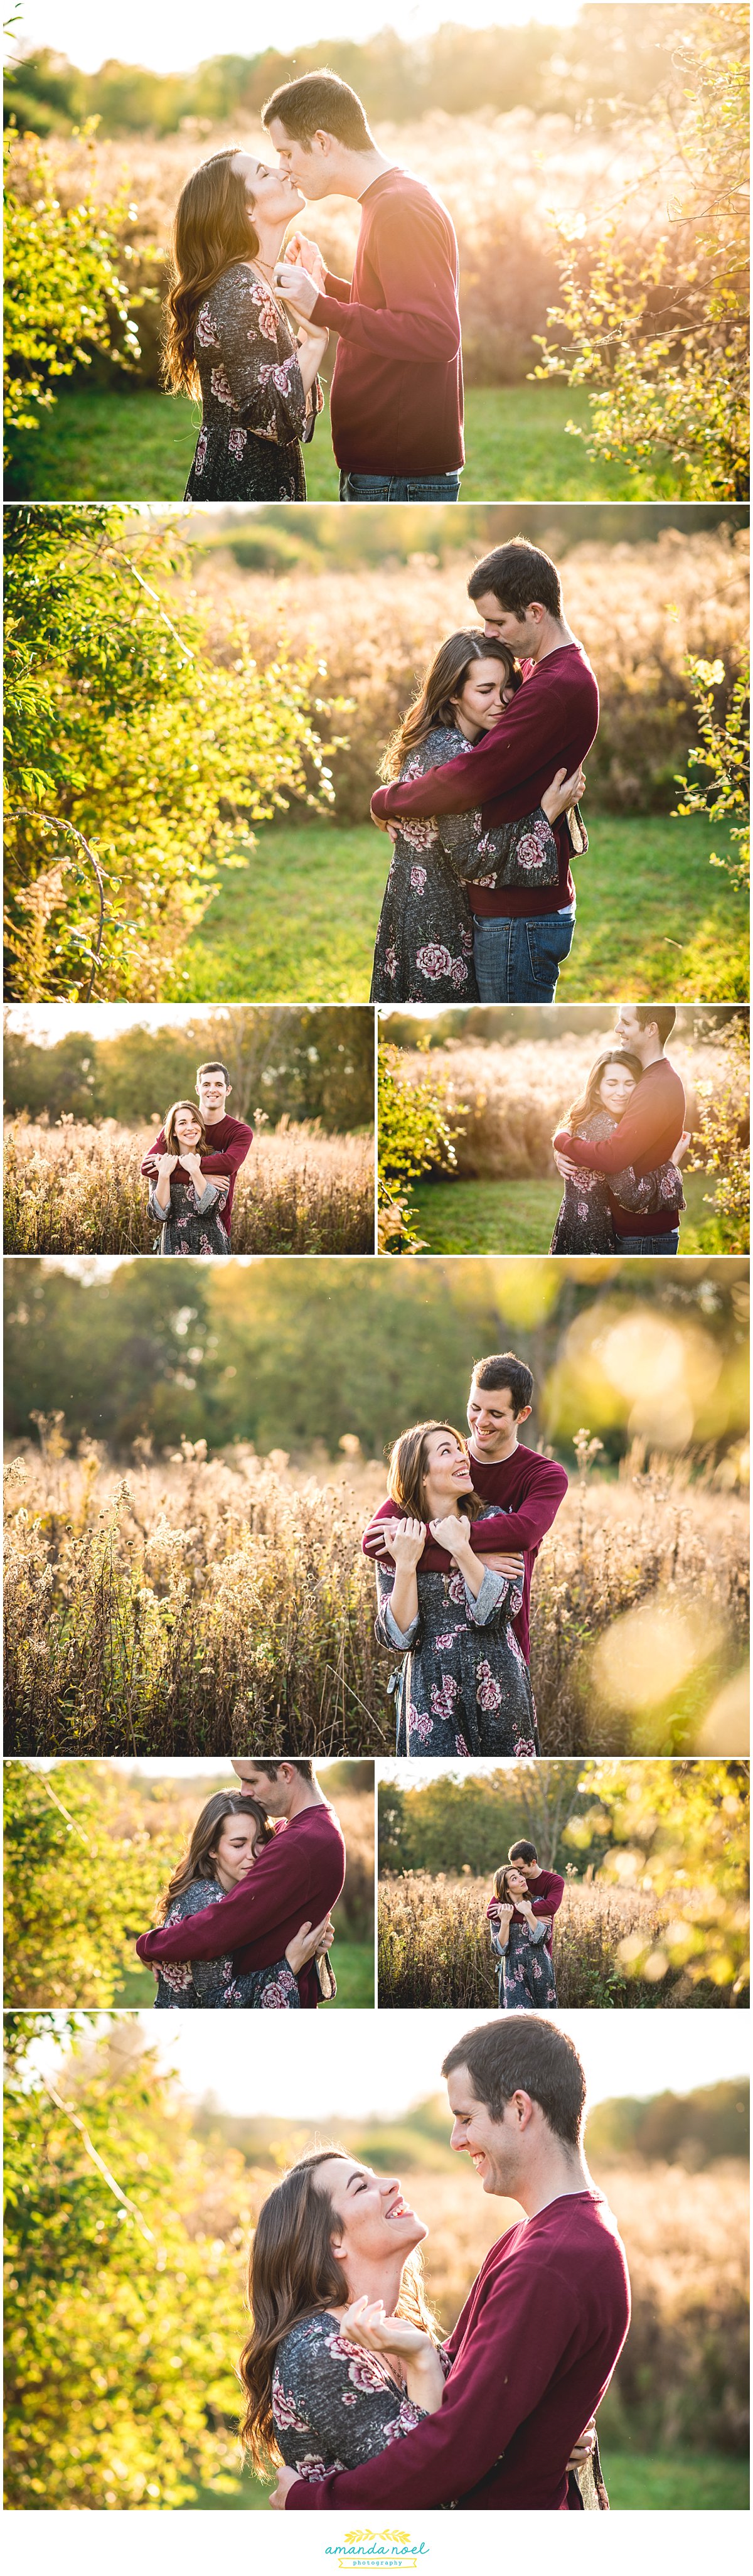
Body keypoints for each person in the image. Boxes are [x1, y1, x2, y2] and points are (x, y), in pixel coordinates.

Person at [269, 2016, 630, 2511]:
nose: (457, 2141)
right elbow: (468, 2391)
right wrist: (539, 2436)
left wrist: (310, 2504)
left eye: (465, 2117)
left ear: (520, 2109)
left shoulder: (553, 2258)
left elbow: (456, 2450)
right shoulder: (527, 2239)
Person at [240, 2147, 600, 2504]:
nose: (392, 2183)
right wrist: (424, 2359)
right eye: (361, 2187)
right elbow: (431, 2492)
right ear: (334, 2241)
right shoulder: (317, 2351)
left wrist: (545, 2438)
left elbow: (470, 2432)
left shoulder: (396, 2328)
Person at [370, 540, 599, 1002]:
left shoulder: (555, 685)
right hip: (512, 906)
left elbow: (471, 776)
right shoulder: (542, 671)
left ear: (535, 612)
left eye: (497, 621)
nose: (490, 633)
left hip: (519, 915)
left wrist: (385, 799)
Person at [262, 72, 464, 503]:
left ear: (322, 142)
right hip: (387, 468)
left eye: (286, 153)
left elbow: (435, 334)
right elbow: (391, 305)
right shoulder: (387, 199)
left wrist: (322, 308)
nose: (283, 169)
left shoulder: (399, 206)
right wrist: (328, 286)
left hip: (399, 474)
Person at [363, 1352, 569, 1706]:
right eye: (475, 1407)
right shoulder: (440, 1462)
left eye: (496, 1414)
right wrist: (459, 1560)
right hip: (432, 1665)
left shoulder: (544, 1475)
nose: (480, 1421)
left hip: (501, 1639)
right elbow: (374, 1541)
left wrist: (435, 1538)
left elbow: (524, 1532)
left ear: (522, 1415)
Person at [163, 149, 326, 500]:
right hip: (247, 482)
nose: (283, 172)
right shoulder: (241, 289)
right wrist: (316, 341)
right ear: (246, 210)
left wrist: (306, 322)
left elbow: (273, 383)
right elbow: (268, 418)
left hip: (247, 474)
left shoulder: (250, 282)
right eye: (264, 173)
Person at [373, 1420, 539, 1757]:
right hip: (431, 1691)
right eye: (446, 1451)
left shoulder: (495, 1523)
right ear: (420, 1474)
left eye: (460, 1450)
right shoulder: (399, 1539)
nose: (464, 1458)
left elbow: (503, 1610)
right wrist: (406, 1564)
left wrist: (463, 1550)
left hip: (498, 1679)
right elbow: (398, 1637)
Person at [136, 1761, 345, 2010]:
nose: (244, 1790)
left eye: (252, 1781)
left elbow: (222, 1926)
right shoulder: (298, 1831)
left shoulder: (298, 1842)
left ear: (286, 1772)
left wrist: (149, 1945)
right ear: (212, 1848)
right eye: (238, 1845)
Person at [552, 1007, 689, 1255]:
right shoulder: (653, 1080)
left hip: (644, 1234)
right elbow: (613, 1145)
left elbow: (614, 1157)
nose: (618, 1029)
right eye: (613, 1084)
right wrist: (565, 1136)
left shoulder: (654, 1086)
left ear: (651, 1029)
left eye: (626, 1023)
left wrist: (563, 1142)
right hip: (637, 1231)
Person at [141, 1061, 253, 1248]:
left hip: (216, 1223)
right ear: (198, 1089)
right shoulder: (177, 1126)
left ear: (228, 1090)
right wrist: (197, 1176)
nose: (212, 1090)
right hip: (174, 1236)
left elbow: (229, 1164)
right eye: (206, 1084)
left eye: (219, 1085)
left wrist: (183, 1167)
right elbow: (147, 1167)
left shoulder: (240, 1132)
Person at [147, 1100, 232, 1256]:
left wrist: (195, 1171)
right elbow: (159, 1214)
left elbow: (212, 1209)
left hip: (211, 1243)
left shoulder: (216, 1159)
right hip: (174, 1243)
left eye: (195, 1122)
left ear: (201, 1126)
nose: (190, 1128)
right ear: (173, 1131)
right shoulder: (162, 1163)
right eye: (182, 1123)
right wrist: (164, 1175)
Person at [488, 1865, 558, 2011]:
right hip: (513, 1973)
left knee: (543, 2018)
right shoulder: (499, 1912)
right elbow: (499, 1949)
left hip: (540, 1968)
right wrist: (506, 1921)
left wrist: (529, 1913)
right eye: (514, 1878)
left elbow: (543, 1938)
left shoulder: (539, 1903)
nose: (521, 1879)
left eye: (520, 1874)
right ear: (506, 1888)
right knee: (519, 2018)